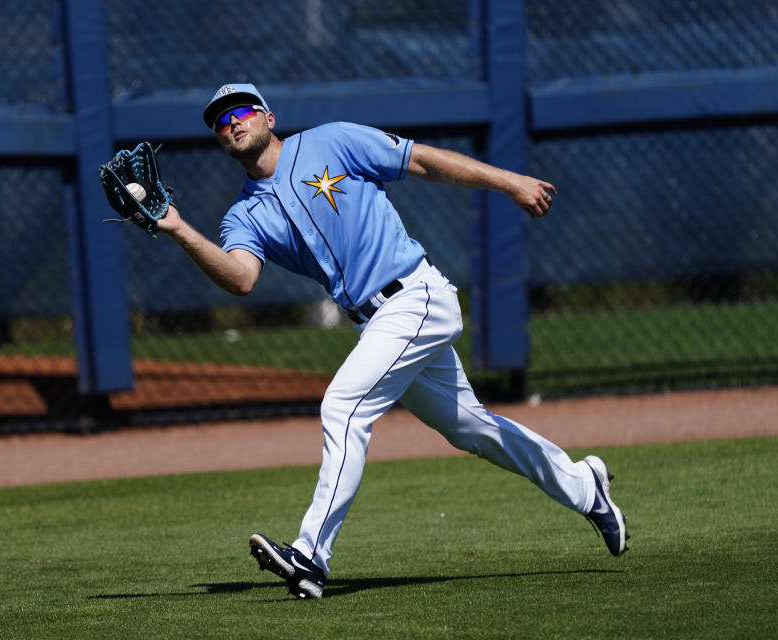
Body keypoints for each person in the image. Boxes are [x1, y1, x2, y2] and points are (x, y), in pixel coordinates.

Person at [158, 83, 629, 600]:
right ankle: (586, 488)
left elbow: (422, 161)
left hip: (415, 297)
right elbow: (241, 277)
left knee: (343, 405)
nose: (232, 122)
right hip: (376, 322)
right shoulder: (244, 215)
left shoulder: (331, 142)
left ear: (268, 117)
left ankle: (311, 555)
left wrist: (510, 182)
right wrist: (179, 228)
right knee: (471, 428)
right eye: (219, 121)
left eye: (241, 110)